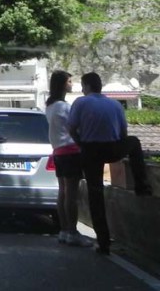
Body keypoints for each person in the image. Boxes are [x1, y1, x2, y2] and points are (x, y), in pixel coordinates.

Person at [67, 71, 153, 255]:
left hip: (91, 150)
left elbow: (71, 128)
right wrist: (117, 148)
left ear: (87, 86)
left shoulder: (80, 102)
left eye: (83, 87)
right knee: (134, 142)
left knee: (95, 195)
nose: (82, 90)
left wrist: (81, 144)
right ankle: (141, 185)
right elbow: (123, 133)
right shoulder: (115, 104)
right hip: (112, 148)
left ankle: (104, 243)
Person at [44, 70, 93, 247]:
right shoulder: (65, 107)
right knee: (72, 194)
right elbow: (75, 126)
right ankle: (73, 231)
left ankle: (64, 230)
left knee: (63, 192)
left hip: (58, 151)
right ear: (63, 84)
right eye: (69, 81)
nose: (72, 84)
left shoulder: (50, 106)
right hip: (71, 151)